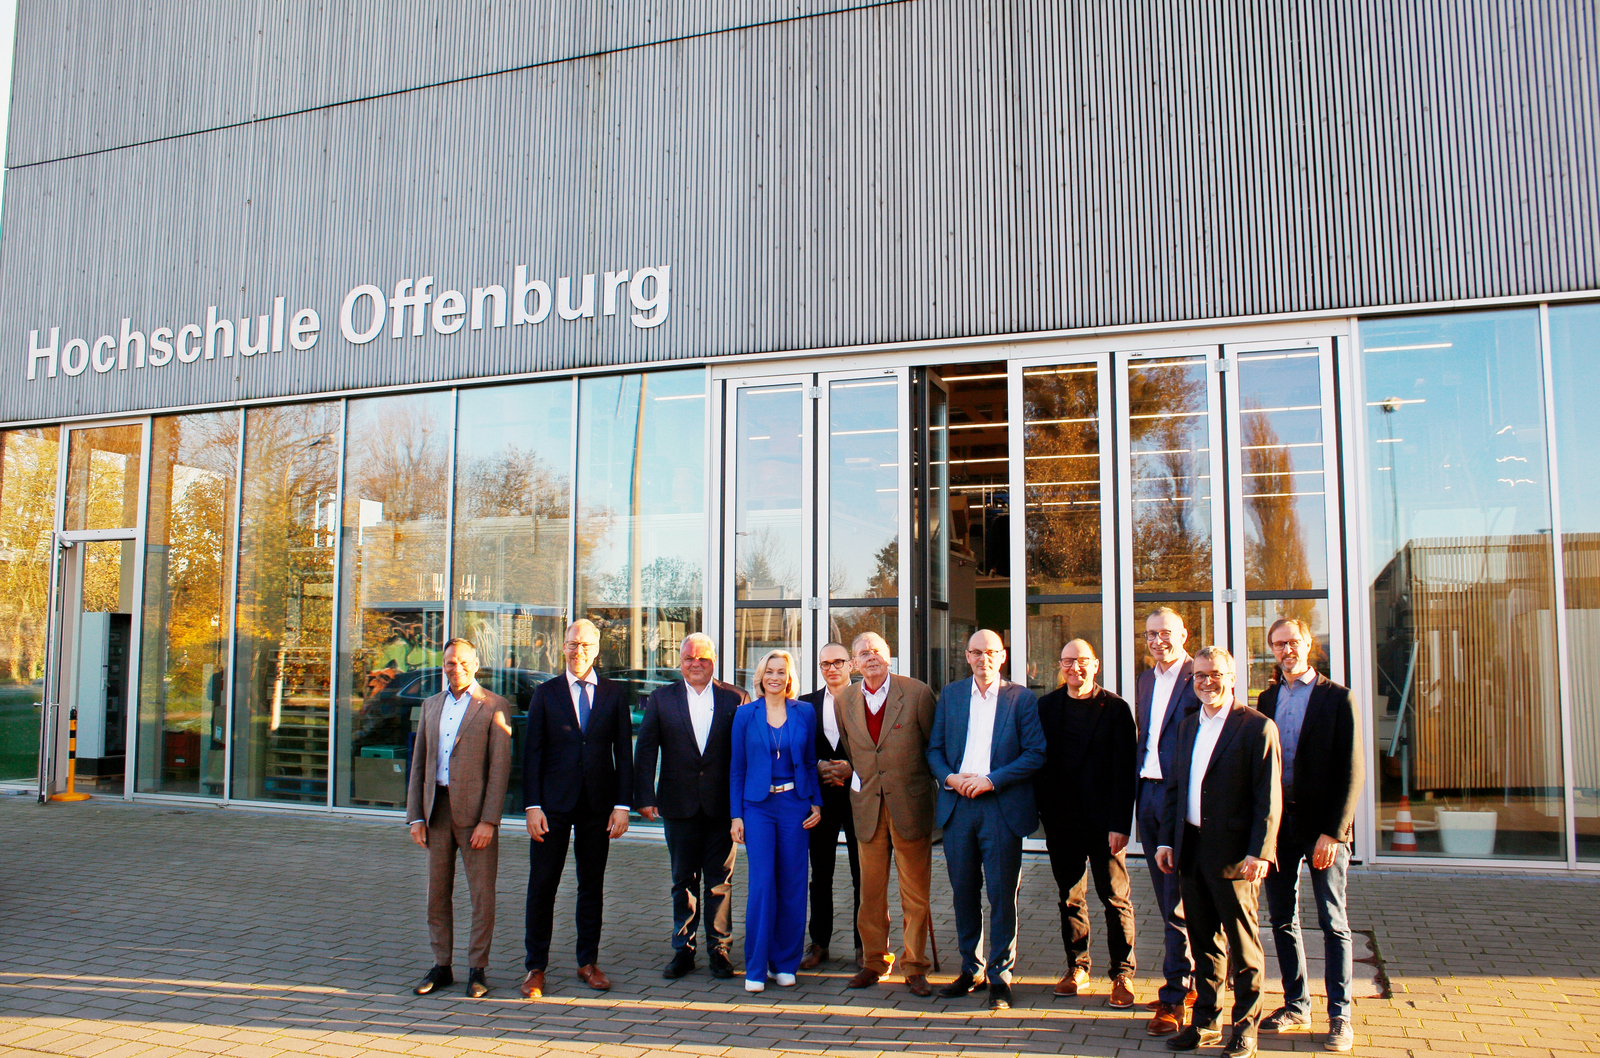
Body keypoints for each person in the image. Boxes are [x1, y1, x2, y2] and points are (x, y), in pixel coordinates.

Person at [1156, 646, 1282, 1058]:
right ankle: (1206, 1023)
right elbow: (1175, 787)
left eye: (1214, 675)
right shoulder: (1187, 725)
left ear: (1231, 677)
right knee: (1204, 944)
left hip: (1234, 859)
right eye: (1199, 676)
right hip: (1190, 850)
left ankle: (1245, 1029)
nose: (1206, 682)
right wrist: (1165, 840)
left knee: (1244, 949)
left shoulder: (1257, 727)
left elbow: (1269, 799)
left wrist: (1260, 853)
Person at [1257, 618, 1364, 1054]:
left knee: (1332, 921)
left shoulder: (1337, 698)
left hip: (1323, 829)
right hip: (1280, 827)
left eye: (1293, 643)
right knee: (1281, 919)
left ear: (1309, 645)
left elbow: (1352, 770)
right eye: (1279, 644)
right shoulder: (1266, 698)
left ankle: (1340, 1015)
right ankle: (1295, 1004)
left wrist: (1334, 832)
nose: (1287, 650)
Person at [926, 628, 1046, 1010]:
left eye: (991, 652)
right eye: (976, 652)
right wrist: (949, 777)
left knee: (1000, 895)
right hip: (958, 807)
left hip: (1000, 807)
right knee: (963, 893)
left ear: (1003, 656)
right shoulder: (952, 695)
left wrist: (991, 780)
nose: (983, 659)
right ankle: (970, 969)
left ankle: (1000, 977)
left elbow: (1035, 753)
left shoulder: (1021, 699)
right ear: (966, 656)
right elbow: (935, 749)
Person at [519, 619, 634, 999]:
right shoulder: (545, 693)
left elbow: (624, 752)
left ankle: (588, 961)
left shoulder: (615, 694)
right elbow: (531, 753)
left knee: (591, 886)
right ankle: (536, 967)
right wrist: (532, 806)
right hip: (552, 806)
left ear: (597, 649)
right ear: (563, 647)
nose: (577, 650)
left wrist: (622, 805)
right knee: (542, 886)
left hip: (597, 807)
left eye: (584, 644)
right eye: (571, 644)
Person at [405, 639, 513, 999]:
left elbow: (499, 769)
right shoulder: (430, 705)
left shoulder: (494, 705)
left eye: (463, 661)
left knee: (481, 895)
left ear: (476, 663)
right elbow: (419, 763)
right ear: (444, 666)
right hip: (437, 812)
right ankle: (442, 965)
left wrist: (489, 820)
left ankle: (477, 969)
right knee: (437, 894)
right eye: (450, 662)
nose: (456, 668)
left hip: (475, 817)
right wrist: (415, 817)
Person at [833, 631, 939, 996]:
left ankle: (915, 966)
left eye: (877, 650)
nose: (871, 656)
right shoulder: (844, 700)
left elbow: (932, 746)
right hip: (868, 808)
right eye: (863, 653)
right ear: (854, 663)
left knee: (915, 893)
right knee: (870, 892)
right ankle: (876, 961)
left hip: (910, 804)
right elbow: (854, 749)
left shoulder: (917, 693)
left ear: (889, 656)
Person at [1033, 638, 1138, 1006]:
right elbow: (1038, 761)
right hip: (1062, 822)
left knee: (1115, 899)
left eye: (1081, 661)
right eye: (1066, 661)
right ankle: (1077, 967)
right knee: (1069, 898)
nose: (1074, 668)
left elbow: (1126, 772)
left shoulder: (1116, 709)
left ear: (1095, 664)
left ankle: (1122, 974)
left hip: (1104, 822)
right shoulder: (1046, 707)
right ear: (1059, 666)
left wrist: (1121, 824)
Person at [634, 632, 743, 981]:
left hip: (722, 806)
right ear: (679, 662)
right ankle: (683, 949)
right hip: (678, 803)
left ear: (714, 661)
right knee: (683, 879)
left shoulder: (735, 698)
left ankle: (719, 949)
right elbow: (647, 749)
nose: (696, 664)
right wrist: (644, 797)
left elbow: (744, 755)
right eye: (689, 658)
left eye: (703, 658)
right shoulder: (661, 699)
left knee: (719, 881)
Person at [730, 650, 822, 993]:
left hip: (795, 805)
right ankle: (756, 966)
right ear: (761, 676)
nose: (774, 677)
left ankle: (784, 963)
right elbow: (736, 767)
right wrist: (735, 815)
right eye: (769, 671)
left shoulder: (805, 712)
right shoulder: (744, 715)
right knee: (763, 885)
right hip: (758, 807)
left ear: (789, 677)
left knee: (794, 885)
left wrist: (816, 802)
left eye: (781, 672)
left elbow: (810, 762)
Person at [1135, 607, 1203, 1035]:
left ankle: (1174, 996)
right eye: (1149, 634)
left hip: (1183, 798)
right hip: (1149, 795)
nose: (1157, 640)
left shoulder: (1200, 674)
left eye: (1165, 633)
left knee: (1180, 900)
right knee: (1165, 898)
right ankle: (1192, 975)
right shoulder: (1145, 680)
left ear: (1184, 634)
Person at [798, 642, 863, 970]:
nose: (832, 668)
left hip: (858, 797)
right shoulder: (805, 704)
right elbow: (798, 751)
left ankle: (863, 945)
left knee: (861, 873)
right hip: (820, 800)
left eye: (838, 662)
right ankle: (819, 942)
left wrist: (853, 768)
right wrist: (819, 766)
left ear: (850, 664)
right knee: (820, 874)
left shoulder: (867, 698)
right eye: (825, 664)